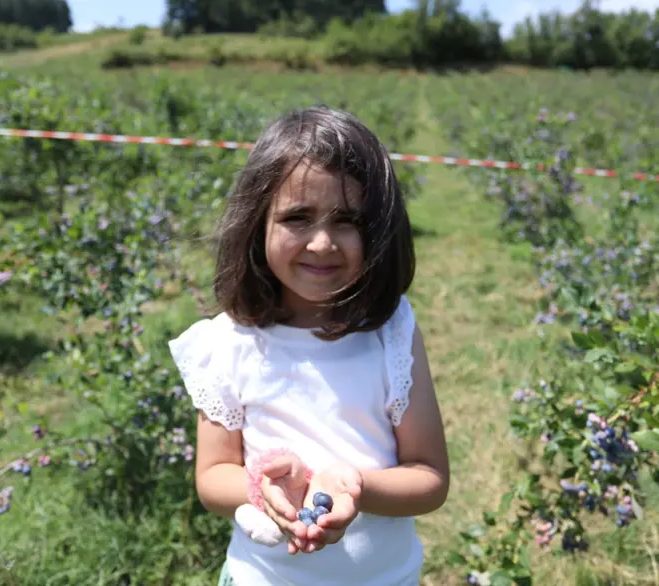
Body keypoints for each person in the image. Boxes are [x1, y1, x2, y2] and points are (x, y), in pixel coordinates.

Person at [168, 106, 449, 586]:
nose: (321, 243)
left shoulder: (391, 332)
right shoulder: (228, 343)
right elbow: (213, 477)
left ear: (378, 229)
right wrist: (263, 487)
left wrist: (355, 486)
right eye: (297, 217)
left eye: (347, 220)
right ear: (257, 224)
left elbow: (429, 477)